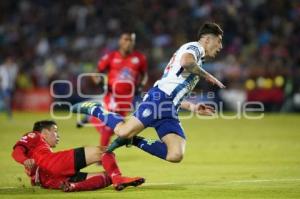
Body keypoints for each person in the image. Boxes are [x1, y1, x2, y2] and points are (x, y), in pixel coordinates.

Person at [72, 22, 224, 163]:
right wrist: (208, 76)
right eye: (219, 41)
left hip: (169, 108)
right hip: (159, 100)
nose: (220, 46)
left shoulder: (198, 58)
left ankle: (134, 140)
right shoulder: (196, 48)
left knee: (176, 154)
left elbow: (173, 89)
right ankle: (94, 108)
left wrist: (192, 107)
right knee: (122, 131)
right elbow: (186, 62)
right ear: (207, 40)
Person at [11, 120, 145, 192]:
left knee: (107, 176)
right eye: (55, 132)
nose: (58, 136)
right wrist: (24, 160)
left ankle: (73, 187)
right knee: (104, 151)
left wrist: (27, 160)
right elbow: (17, 150)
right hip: (52, 164)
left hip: (49, 181)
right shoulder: (34, 135)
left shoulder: (39, 150)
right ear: (44, 132)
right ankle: (118, 178)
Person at [77, 31, 148, 147]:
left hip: (127, 97)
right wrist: (101, 84)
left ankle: (92, 118)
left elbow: (144, 75)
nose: (128, 43)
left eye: (131, 40)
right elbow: (96, 74)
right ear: (120, 41)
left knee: (116, 126)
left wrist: (141, 85)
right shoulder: (111, 57)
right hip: (112, 95)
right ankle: (102, 155)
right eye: (126, 39)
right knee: (109, 128)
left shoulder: (139, 58)